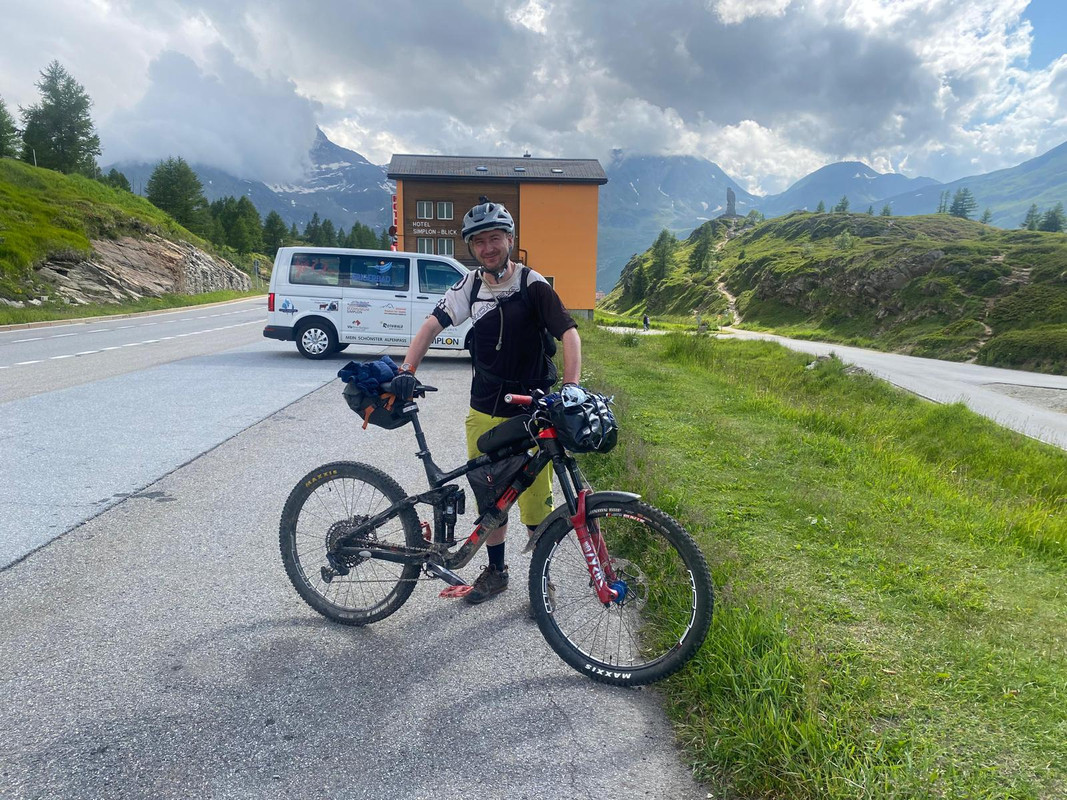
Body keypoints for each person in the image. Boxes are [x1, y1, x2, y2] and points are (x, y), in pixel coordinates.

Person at [392, 198, 581, 604]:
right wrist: (407, 369)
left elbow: (568, 333)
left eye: (495, 238)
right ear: (472, 247)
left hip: (532, 413)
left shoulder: (531, 284)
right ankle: (496, 572)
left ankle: (542, 581)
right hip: (485, 412)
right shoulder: (471, 286)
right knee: (491, 499)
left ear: (510, 240)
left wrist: (571, 387)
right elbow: (431, 325)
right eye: (479, 242)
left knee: (536, 504)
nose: (488, 247)